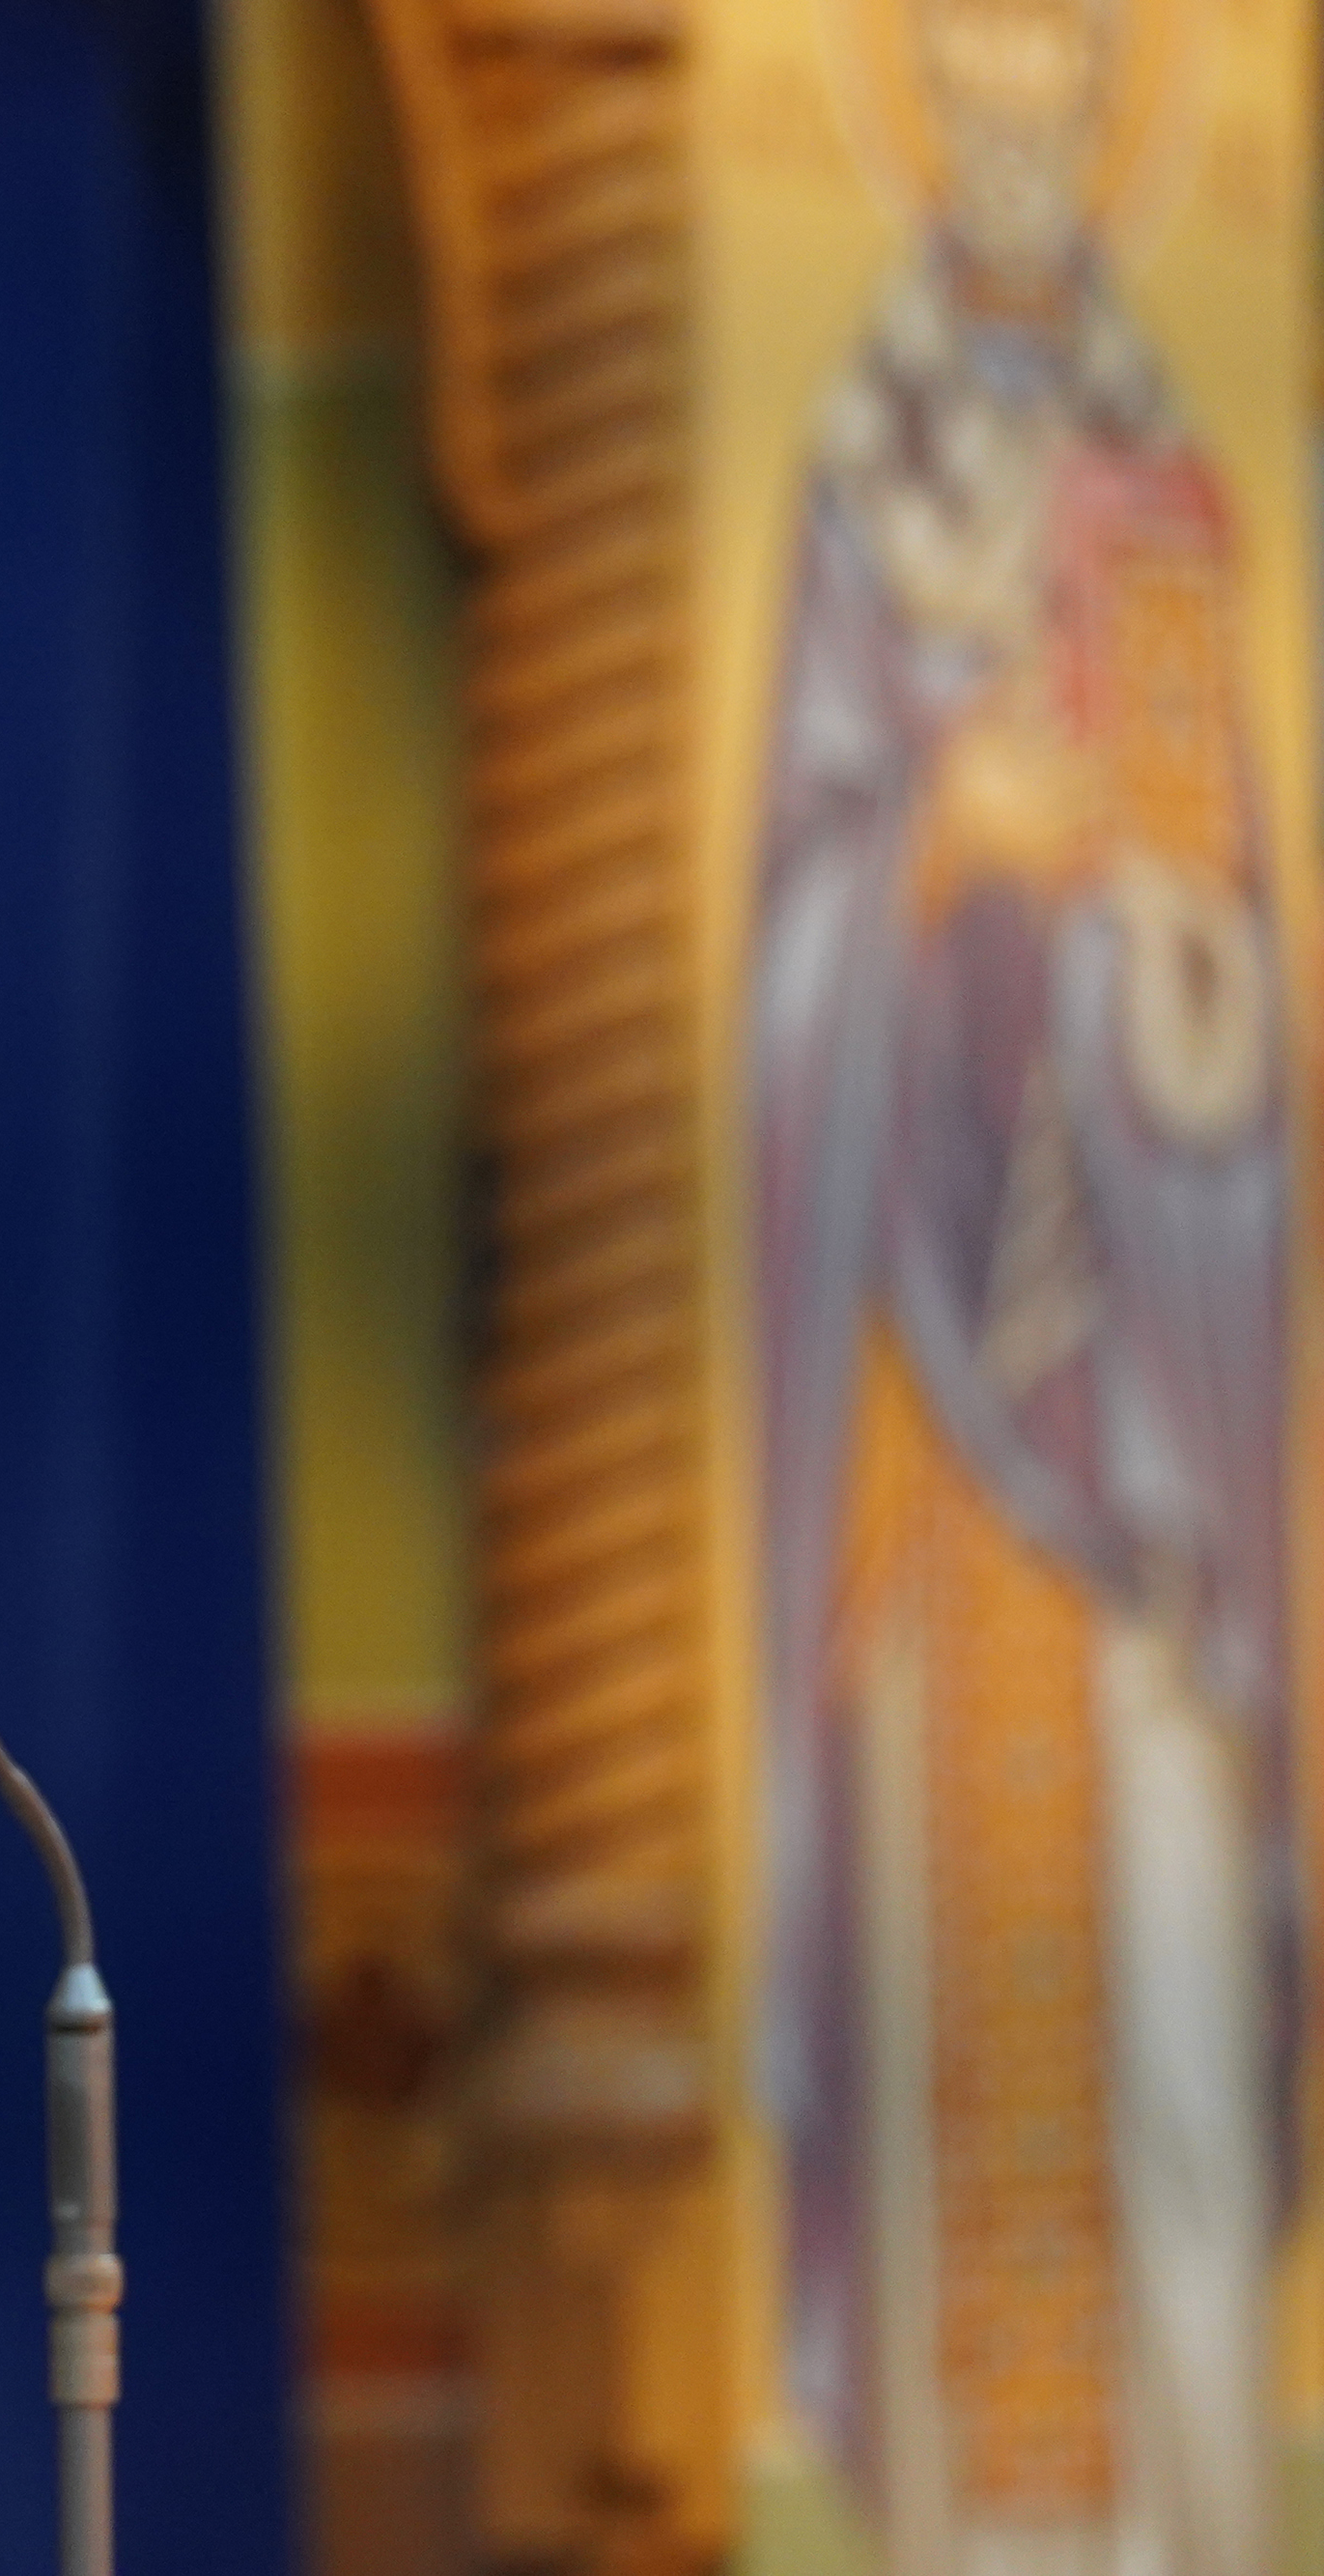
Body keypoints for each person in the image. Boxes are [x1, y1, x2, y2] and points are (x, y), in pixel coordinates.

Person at [749, 0, 1288, 2559]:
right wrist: (938, 847)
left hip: (1151, 1420)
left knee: (1174, 2001)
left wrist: (1172, 974)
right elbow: (788, 965)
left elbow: (1238, 1005)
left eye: (1054, 118)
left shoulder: (1178, 500)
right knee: (950, 2013)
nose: (1007, 165)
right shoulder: (857, 493)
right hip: (928, 1433)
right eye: (962, 118)